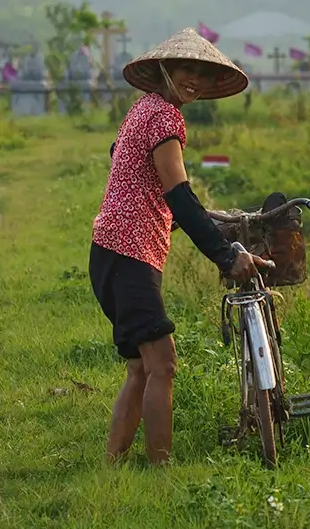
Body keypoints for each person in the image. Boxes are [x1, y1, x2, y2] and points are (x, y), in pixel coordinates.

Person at [90, 28, 272, 464]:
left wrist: (179, 216)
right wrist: (227, 255)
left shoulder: (141, 111)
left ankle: (112, 463)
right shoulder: (166, 118)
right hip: (130, 255)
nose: (194, 79)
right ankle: (161, 467)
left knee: (141, 368)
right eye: (185, 69)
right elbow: (177, 193)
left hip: (109, 253)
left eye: (202, 74)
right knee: (163, 364)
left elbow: (127, 167)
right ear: (165, 70)